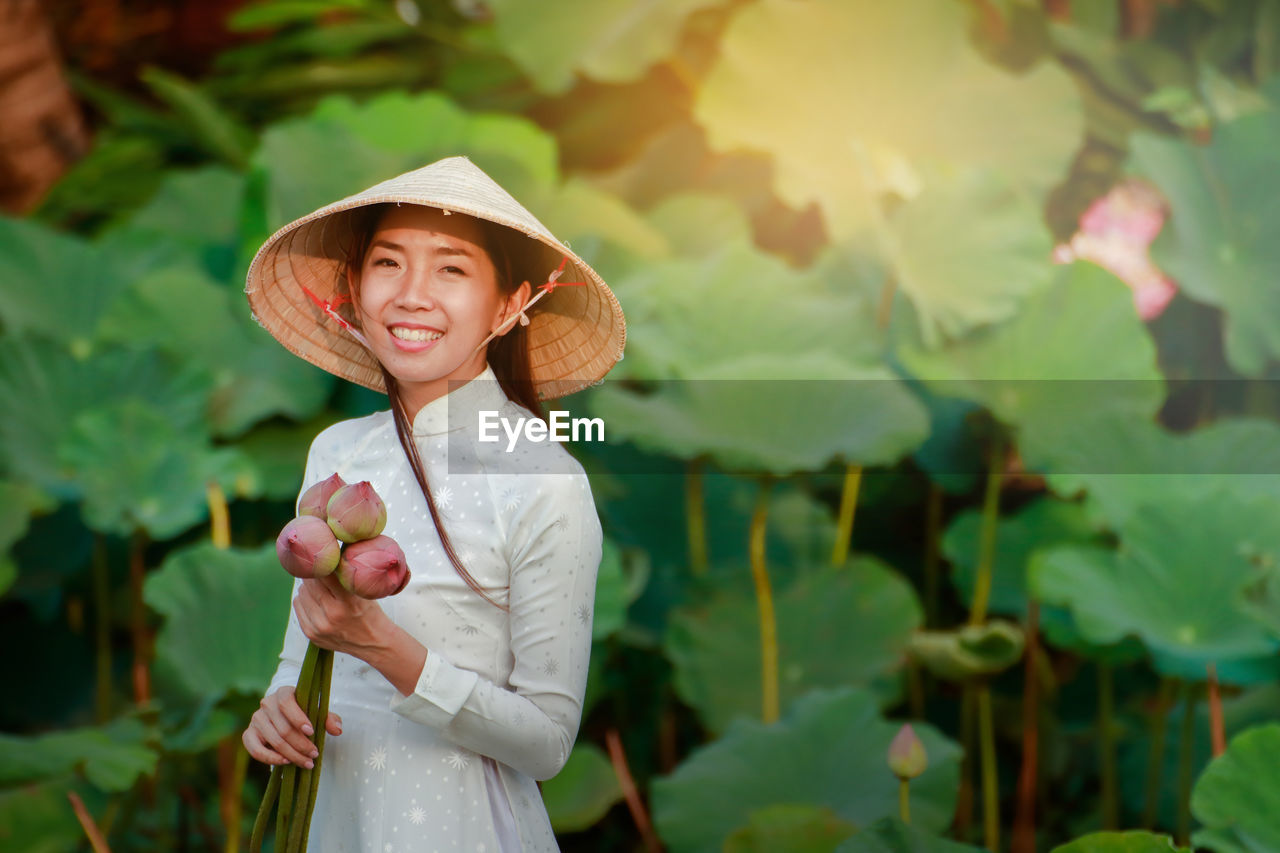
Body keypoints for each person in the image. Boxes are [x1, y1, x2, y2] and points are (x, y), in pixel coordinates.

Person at [240, 156, 626, 852]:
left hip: (461, 828)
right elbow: (305, 645)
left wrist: (388, 649)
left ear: (510, 305)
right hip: (334, 819)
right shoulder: (337, 453)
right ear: (355, 289)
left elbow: (546, 744)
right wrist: (277, 706)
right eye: (388, 263)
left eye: (451, 269)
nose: (412, 294)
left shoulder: (546, 481)